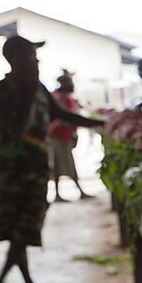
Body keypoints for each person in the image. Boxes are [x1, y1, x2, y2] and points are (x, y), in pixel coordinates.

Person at [0, 36, 104, 283]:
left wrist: (98, 123)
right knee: (19, 230)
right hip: (11, 170)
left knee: (25, 229)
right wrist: (29, 93)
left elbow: (63, 115)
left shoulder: (38, 88)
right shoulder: (0, 91)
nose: (36, 61)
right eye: (31, 55)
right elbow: (14, 130)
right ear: (15, 58)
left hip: (38, 168)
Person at [48, 71, 93, 201]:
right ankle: (72, 192)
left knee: (63, 164)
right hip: (58, 135)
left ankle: (75, 192)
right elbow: (63, 118)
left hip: (63, 136)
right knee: (62, 164)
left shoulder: (64, 97)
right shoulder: (60, 98)